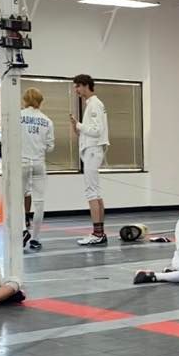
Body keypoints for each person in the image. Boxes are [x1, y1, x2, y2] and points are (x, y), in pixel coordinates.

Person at [70, 74, 110, 246]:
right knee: (96, 193)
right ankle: (100, 233)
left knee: (92, 193)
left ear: (86, 85)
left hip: (93, 151)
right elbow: (91, 131)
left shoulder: (94, 104)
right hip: (92, 150)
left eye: (78, 86)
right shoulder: (93, 104)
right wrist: (77, 126)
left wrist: (79, 125)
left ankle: (97, 234)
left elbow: (96, 130)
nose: (76, 90)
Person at [20, 87, 55, 250]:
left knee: (18, 199)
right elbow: (50, 147)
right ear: (40, 101)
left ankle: (23, 230)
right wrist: (39, 147)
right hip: (39, 163)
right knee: (39, 202)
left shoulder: (17, 116)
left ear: (25, 100)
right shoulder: (47, 121)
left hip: (22, 162)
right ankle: (35, 238)